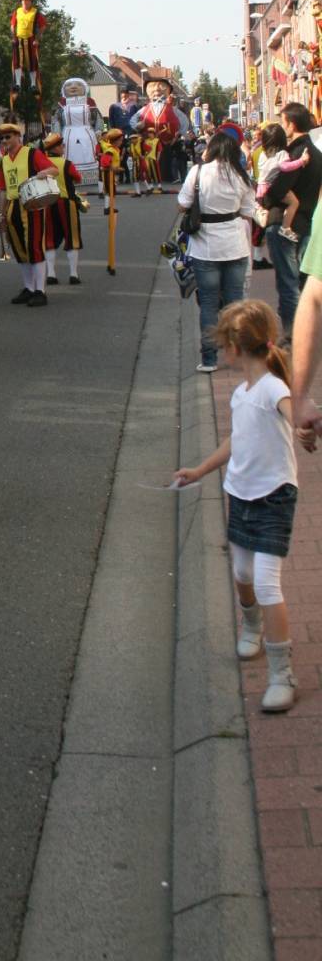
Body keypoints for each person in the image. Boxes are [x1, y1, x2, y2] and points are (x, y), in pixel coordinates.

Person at [175, 301, 314, 713]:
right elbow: (237, 439)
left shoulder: (273, 388)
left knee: (267, 583)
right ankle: (251, 624)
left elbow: (293, 413)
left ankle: (281, 674)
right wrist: (201, 470)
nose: (222, 352)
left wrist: (307, 426)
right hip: (239, 494)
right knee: (241, 573)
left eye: (223, 345)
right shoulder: (241, 393)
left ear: (235, 347)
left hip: (274, 496)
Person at [177, 130, 255, 373]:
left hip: (205, 246)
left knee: (209, 304)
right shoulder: (241, 175)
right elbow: (248, 211)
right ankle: (238, 356)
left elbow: (182, 204)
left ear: (212, 149)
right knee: (235, 303)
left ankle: (209, 359)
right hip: (235, 244)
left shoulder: (198, 172)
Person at [259, 102, 322, 321]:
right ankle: (306, 327)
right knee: (302, 282)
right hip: (306, 223)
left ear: (292, 124)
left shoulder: (293, 154)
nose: (282, 126)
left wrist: (264, 200)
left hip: (282, 223)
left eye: (283, 122)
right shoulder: (317, 153)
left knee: (288, 284)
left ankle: (293, 332)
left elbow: (278, 189)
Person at [0, 121, 56, 306]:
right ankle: (28, 288)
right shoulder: (3, 160)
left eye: (8, 137)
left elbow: (54, 170)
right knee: (19, 249)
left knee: (34, 246)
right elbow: (2, 189)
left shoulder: (32, 153)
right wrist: (2, 214)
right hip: (12, 205)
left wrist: (44, 173)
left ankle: (40, 291)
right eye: (2, 138)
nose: (4, 141)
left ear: (17, 137)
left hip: (31, 204)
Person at [40, 131, 84, 285]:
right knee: (72, 238)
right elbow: (78, 179)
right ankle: (73, 274)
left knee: (49, 239)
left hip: (47, 204)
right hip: (66, 203)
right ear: (56, 148)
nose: (63, 147)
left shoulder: (42, 163)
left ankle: (51, 274)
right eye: (62, 145)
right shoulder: (67, 163)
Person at [130, 73, 189, 186]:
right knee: (149, 160)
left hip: (166, 141)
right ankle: (149, 178)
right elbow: (132, 120)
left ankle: (167, 177)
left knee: (166, 160)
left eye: (161, 86)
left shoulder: (172, 109)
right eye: (153, 86)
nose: (157, 89)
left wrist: (179, 134)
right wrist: (137, 125)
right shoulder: (144, 109)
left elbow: (184, 121)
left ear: (168, 90)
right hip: (148, 142)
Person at [10, 0, 45, 97]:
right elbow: (12, 25)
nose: (25, 2)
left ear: (30, 2)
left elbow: (43, 26)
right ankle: (18, 84)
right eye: (23, 1)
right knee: (17, 62)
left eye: (27, 0)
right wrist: (13, 37)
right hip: (19, 39)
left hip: (30, 39)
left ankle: (33, 84)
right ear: (21, 2)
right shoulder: (17, 12)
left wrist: (37, 38)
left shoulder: (35, 12)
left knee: (32, 62)